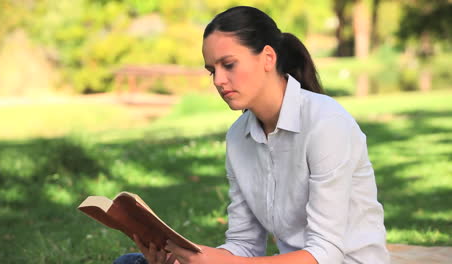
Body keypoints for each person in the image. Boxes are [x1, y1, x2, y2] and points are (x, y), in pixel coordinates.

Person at [114, 6, 389, 264]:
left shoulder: (326, 122)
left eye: (229, 65)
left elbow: (325, 252)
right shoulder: (238, 137)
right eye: (212, 71)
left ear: (268, 58)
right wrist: (188, 257)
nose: (219, 80)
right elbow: (244, 244)